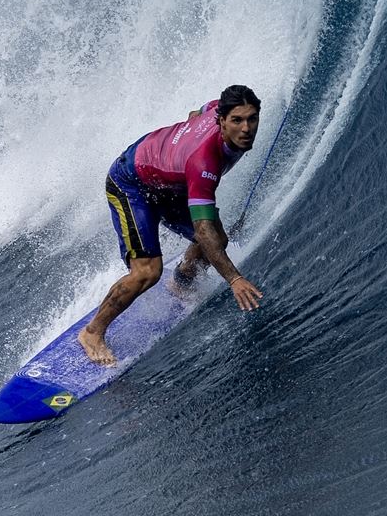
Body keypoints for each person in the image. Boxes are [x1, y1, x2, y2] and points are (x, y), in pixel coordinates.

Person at [77, 85, 265, 366]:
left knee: (218, 241)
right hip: (131, 183)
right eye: (237, 121)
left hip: (168, 183)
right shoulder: (204, 163)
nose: (246, 128)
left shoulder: (217, 106)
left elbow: (196, 112)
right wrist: (235, 280)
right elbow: (202, 230)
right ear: (222, 121)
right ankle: (92, 333)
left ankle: (181, 282)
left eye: (252, 119)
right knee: (147, 272)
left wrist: (176, 150)